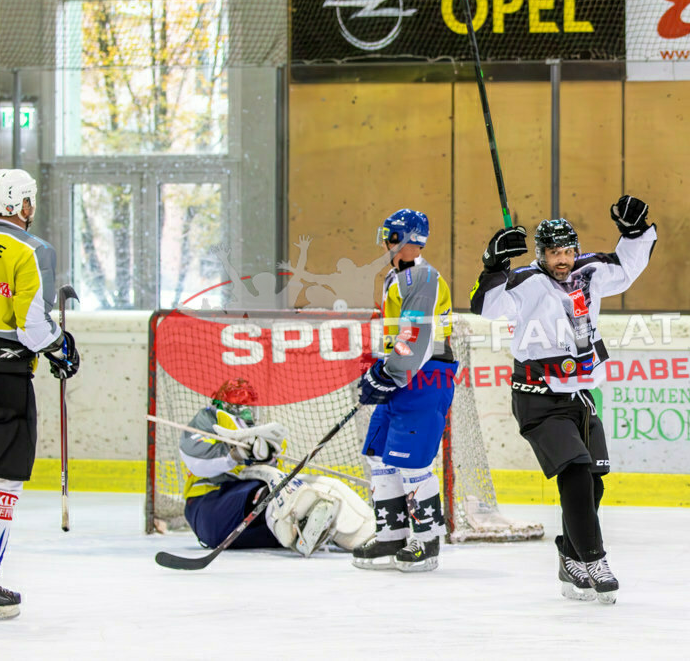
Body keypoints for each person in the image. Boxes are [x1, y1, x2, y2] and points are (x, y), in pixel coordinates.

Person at [470, 196, 657, 604]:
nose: (563, 260)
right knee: (574, 470)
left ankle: (570, 556)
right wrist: (494, 264)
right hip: (537, 399)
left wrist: (635, 232)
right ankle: (595, 560)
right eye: (555, 253)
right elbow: (485, 306)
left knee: (593, 482)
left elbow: (627, 267)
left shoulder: (590, 271)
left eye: (568, 251)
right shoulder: (524, 283)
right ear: (541, 254)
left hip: (580, 397)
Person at [0, 169, 79, 621]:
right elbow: (33, 326)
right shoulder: (32, 249)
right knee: (2, 480)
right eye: (30, 200)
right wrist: (62, 348)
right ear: (22, 204)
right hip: (0, 376)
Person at [351, 209, 458, 572]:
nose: (385, 243)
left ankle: (426, 540)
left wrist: (389, 372)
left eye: (390, 237)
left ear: (406, 240)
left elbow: (417, 336)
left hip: (424, 377)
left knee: (411, 462)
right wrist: (382, 366)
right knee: (379, 454)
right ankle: (391, 535)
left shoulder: (423, 278)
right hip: (402, 375)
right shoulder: (396, 276)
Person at [179, 377, 375, 555]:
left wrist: (265, 455)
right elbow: (196, 460)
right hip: (209, 507)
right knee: (272, 494)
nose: (247, 409)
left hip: (249, 521)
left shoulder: (261, 432)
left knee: (324, 488)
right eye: (241, 403)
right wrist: (234, 454)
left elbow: (267, 470)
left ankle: (367, 534)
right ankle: (295, 526)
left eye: (250, 404)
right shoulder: (209, 419)